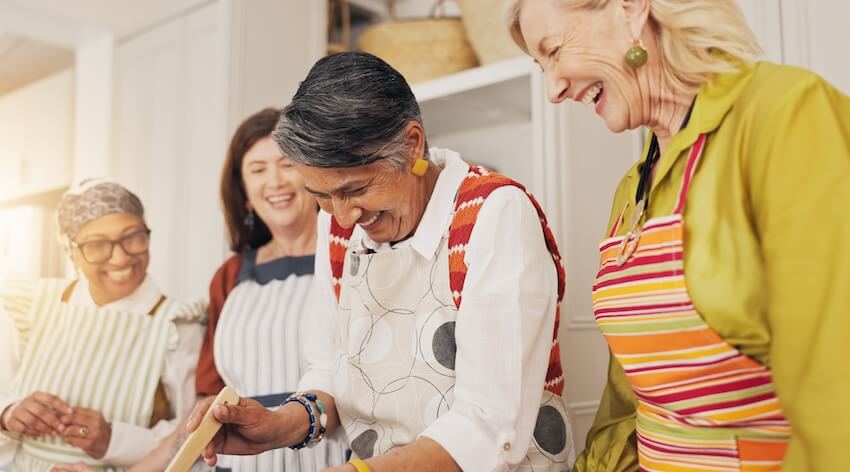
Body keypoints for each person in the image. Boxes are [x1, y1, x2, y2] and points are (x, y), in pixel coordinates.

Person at [188, 51, 575, 471]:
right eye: (321, 196)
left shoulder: (494, 214)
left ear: (412, 145)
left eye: (355, 189)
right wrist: (278, 425)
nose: (343, 216)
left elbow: (488, 424)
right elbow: (328, 369)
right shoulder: (337, 227)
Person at [507, 0, 850, 470]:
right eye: (540, 65)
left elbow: (834, 389)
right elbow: (628, 407)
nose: (554, 89)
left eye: (554, 49)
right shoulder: (632, 189)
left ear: (629, 10)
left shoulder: (788, 115)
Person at [0, 179, 206, 471]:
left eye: (132, 237)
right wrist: (8, 413)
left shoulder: (177, 325)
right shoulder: (32, 305)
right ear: (72, 251)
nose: (121, 257)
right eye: (97, 245)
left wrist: (114, 439)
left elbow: (195, 434)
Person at [193, 108, 348, 470]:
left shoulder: (351, 255)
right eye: (258, 170)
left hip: (331, 457)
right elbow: (207, 395)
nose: (275, 181)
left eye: (287, 164)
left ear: (313, 173)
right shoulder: (229, 276)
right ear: (244, 192)